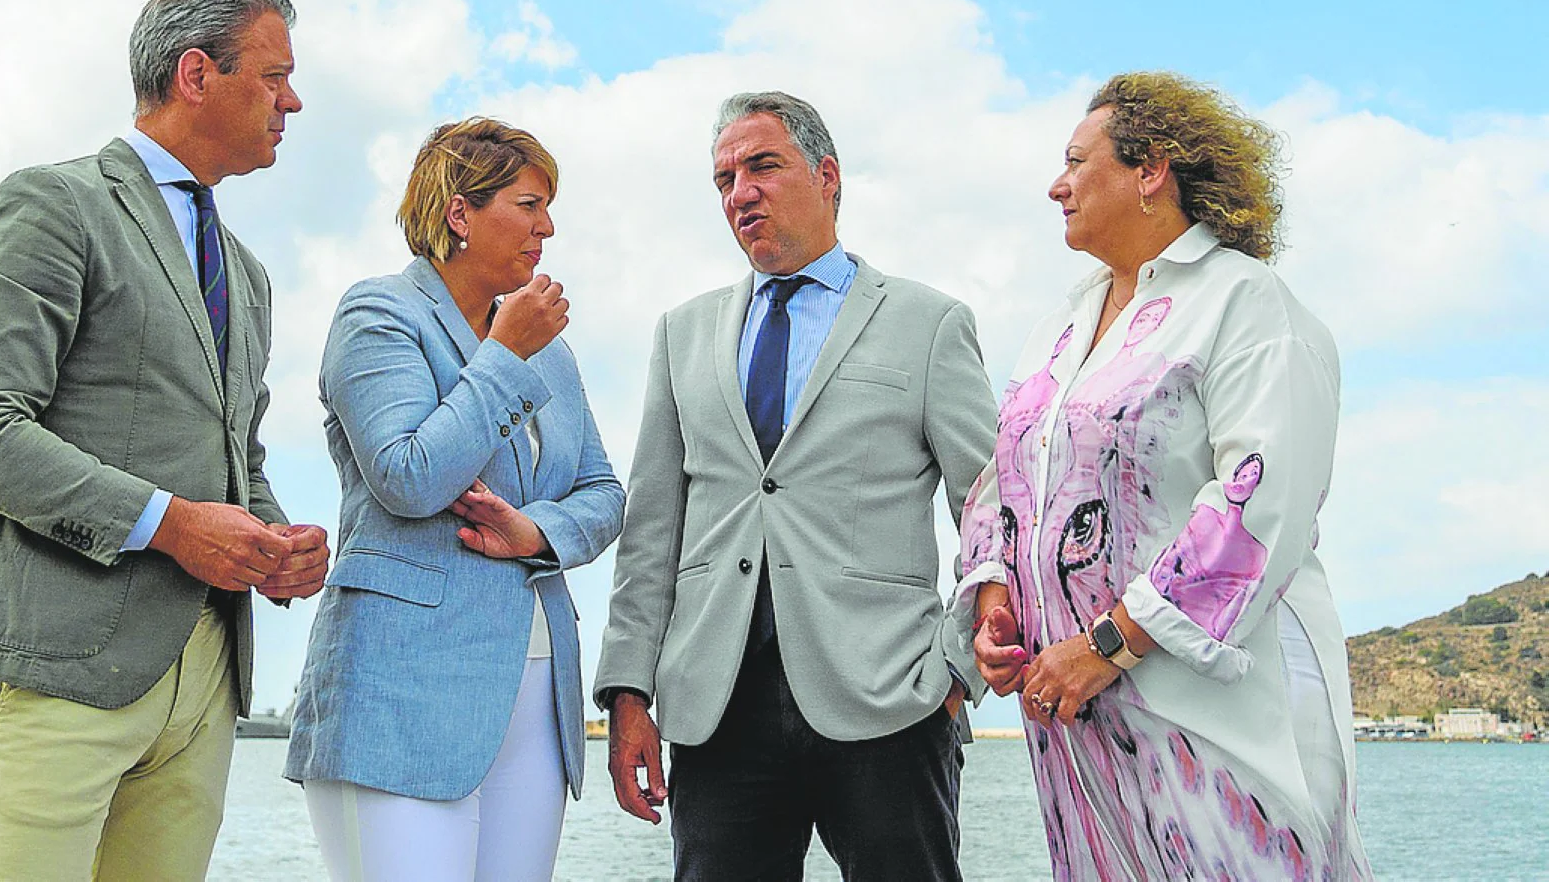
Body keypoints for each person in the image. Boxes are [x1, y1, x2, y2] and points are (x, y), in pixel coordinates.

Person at [0, 0, 331, 882]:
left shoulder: (248, 271)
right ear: (197, 74)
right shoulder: (54, 202)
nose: (293, 101)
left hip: (204, 688)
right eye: (274, 78)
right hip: (59, 672)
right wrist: (175, 525)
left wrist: (270, 536)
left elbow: (239, 448)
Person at [959, 72, 1375, 882]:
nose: (1057, 184)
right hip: (1073, 726)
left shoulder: (1246, 303)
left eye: (1078, 161)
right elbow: (1000, 480)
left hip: (1209, 720)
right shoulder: (1059, 328)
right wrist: (993, 598)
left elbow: (1262, 504)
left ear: (1152, 170)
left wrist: (1108, 643)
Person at [597, 91, 998, 882]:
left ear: (827, 176)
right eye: (722, 180)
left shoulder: (928, 323)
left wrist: (958, 671)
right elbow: (653, 529)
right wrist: (628, 693)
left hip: (890, 698)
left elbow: (991, 508)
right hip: (716, 707)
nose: (738, 192)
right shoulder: (683, 333)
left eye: (761, 166)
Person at [286, 117, 625, 882]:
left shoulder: (553, 351)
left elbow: (605, 493)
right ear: (460, 212)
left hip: (536, 695)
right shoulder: (377, 315)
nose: (548, 227)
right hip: (399, 693)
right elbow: (409, 477)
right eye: (529, 203)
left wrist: (532, 532)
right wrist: (504, 355)